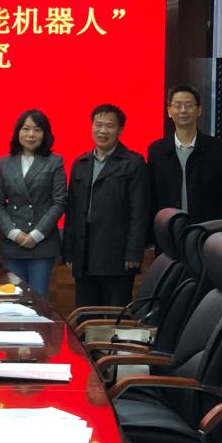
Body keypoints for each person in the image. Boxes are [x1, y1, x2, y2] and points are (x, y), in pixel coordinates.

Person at [62, 104, 148, 307]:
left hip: (116, 256)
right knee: (86, 314)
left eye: (109, 126)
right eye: (98, 125)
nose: (102, 131)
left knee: (113, 315)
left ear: (120, 130)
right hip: (84, 254)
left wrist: (134, 252)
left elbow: (139, 212)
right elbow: (72, 211)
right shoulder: (81, 163)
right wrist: (69, 251)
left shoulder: (133, 163)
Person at [0, 109, 67, 296]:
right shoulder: (5, 162)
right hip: (12, 242)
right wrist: (13, 233)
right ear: (18, 132)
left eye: (37, 130)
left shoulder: (54, 161)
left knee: (38, 297)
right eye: (26, 129)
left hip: (42, 242)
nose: (31, 134)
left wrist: (36, 234)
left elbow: (59, 202)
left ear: (45, 134)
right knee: (12, 297)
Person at [146, 84, 222, 228]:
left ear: (199, 110)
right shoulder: (157, 151)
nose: (183, 110)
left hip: (207, 233)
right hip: (168, 231)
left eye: (188, 105)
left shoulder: (219, 149)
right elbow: (151, 197)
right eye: (177, 105)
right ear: (169, 111)